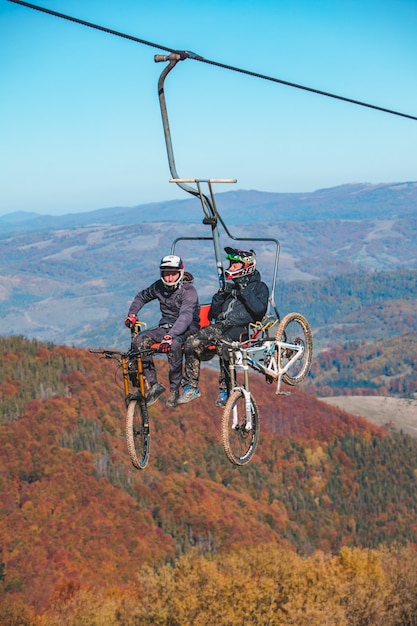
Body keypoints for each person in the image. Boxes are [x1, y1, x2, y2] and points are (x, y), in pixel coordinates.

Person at [177, 247, 269, 406]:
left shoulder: (259, 288)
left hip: (241, 328)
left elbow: (259, 311)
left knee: (224, 345)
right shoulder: (230, 288)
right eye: (231, 265)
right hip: (221, 325)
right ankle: (190, 387)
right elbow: (214, 313)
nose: (231, 268)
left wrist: (244, 290)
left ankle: (226, 388)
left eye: (235, 266)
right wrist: (220, 295)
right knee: (192, 342)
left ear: (246, 267)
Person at [125, 254, 200, 408]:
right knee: (139, 341)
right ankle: (154, 384)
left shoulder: (188, 291)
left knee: (173, 345)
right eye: (166, 274)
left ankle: (174, 389)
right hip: (166, 327)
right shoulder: (159, 286)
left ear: (180, 273)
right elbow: (142, 296)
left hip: (187, 328)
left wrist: (170, 336)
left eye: (173, 274)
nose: (170, 278)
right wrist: (132, 313)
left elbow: (186, 316)